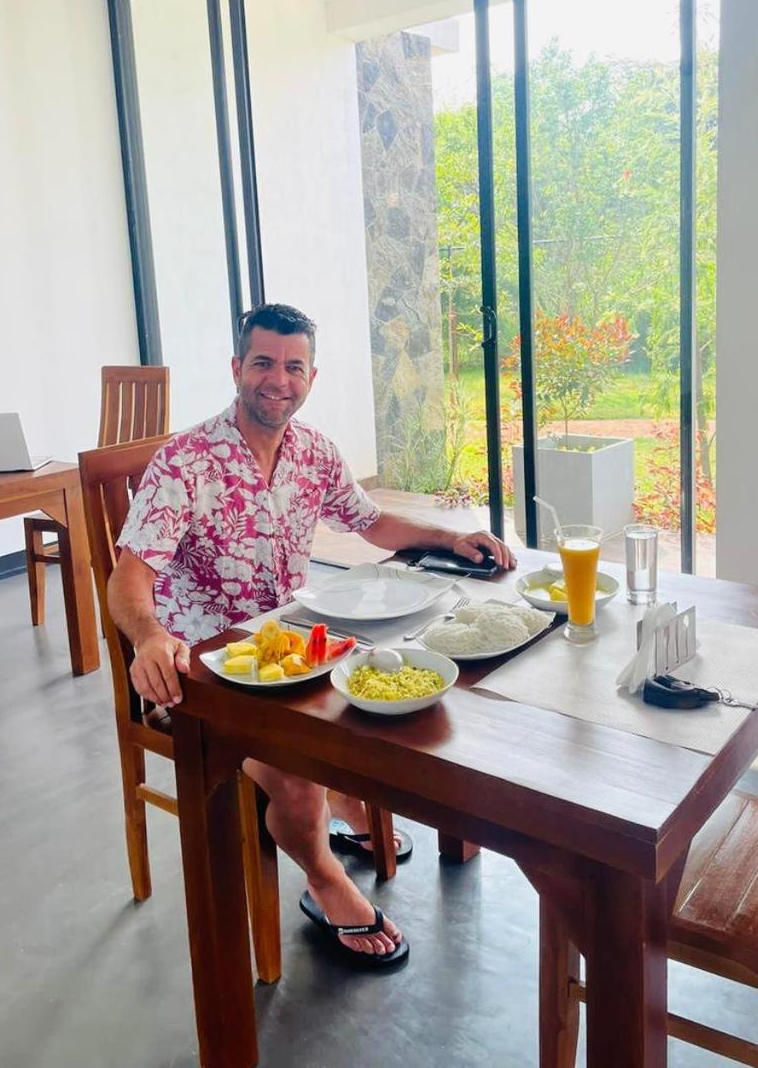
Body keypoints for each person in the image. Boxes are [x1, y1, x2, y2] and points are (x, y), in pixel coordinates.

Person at [108, 302, 516, 967]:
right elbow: (129, 577)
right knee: (298, 769)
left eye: (294, 367)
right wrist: (149, 635)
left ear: (311, 377)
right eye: (263, 363)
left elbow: (372, 523)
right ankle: (325, 878)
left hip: (298, 648)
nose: (279, 380)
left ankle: (344, 796)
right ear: (236, 368)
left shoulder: (314, 451)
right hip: (204, 674)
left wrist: (450, 538)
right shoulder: (184, 461)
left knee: (392, 690)